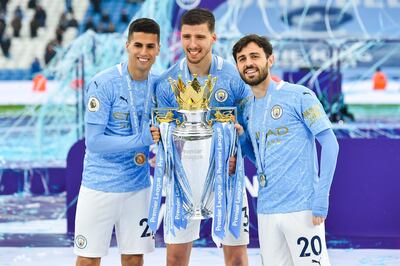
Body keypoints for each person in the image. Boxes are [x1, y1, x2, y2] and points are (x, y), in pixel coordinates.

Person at [154, 8, 251, 266]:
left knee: (237, 260)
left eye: (200, 37)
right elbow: (162, 134)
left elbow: (248, 126)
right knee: (175, 259)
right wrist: (159, 154)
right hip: (182, 180)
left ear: (213, 38)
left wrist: (237, 150)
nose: (193, 44)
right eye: (187, 37)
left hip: (226, 180)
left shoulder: (234, 78)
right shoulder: (166, 83)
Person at [232, 34, 339, 266]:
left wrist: (321, 198)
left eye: (254, 56)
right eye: (242, 59)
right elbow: (256, 156)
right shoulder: (246, 107)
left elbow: (330, 144)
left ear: (270, 60)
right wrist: (242, 139)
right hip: (267, 209)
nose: (248, 63)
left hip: (303, 208)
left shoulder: (298, 95)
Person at [74, 18, 161, 266]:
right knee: (88, 260)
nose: (143, 52)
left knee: (134, 258)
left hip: (138, 186)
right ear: (127, 46)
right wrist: (140, 140)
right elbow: (94, 142)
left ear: (158, 49)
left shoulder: (158, 85)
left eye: (150, 46)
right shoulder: (104, 83)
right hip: (100, 186)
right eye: (138, 45)